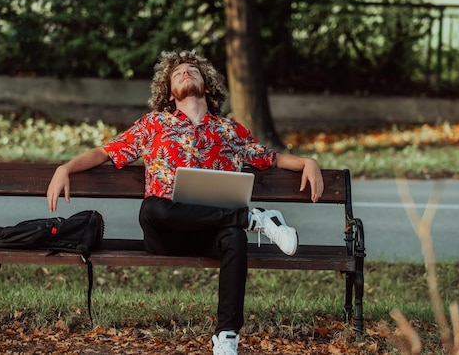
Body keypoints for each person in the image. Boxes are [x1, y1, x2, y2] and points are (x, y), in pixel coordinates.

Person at [46, 49, 324, 355]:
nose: (184, 72)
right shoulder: (153, 124)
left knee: (233, 238)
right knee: (153, 207)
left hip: (211, 235)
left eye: (192, 69)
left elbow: (269, 157)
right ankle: (252, 220)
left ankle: (227, 337)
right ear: (169, 92)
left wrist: (307, 161)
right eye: (177, 73)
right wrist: (66, 167)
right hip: (166, 233)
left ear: (207, 85)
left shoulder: (229, 130)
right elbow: (106, 152)